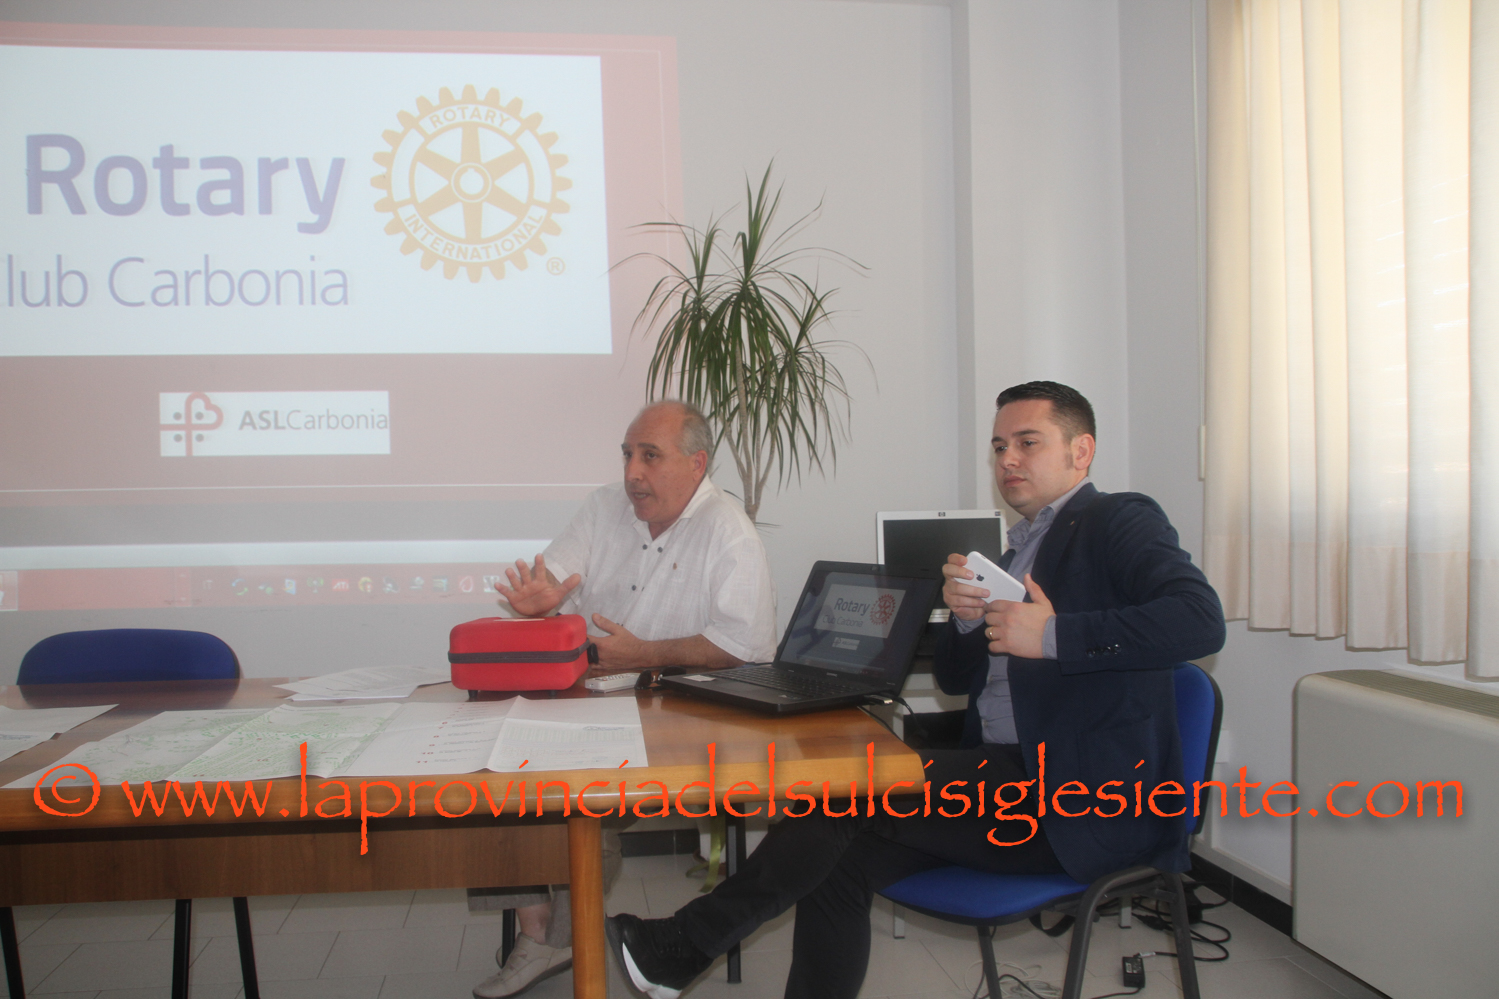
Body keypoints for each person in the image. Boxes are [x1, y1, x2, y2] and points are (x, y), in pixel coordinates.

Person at [602, 381, 1226, 999]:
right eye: (999, 446)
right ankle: (681, 950)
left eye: (1028, 443)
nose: (1008, 459)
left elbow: (1200, 619)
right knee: (834, 857)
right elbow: (954, 681)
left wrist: (1054, 634)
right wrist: (965, 620)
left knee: (844, 795)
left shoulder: (1118, 519)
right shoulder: (1014, 554)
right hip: (1004, 778)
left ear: (1080, 451)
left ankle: (685, 944)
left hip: (1079, 798)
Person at [472, 400, 778, 999]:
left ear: (696, 464)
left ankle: (556, 939)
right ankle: (539, 930)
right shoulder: (603, 507)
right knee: (492, 780)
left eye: (650, 456)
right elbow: (552, 581)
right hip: (579, 699)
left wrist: (645, 654)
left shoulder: (729, 532)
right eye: (628, 455)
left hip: (670, 718)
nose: (632, 472)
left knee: (579, 807)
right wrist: (539, 604)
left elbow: (747, 648)